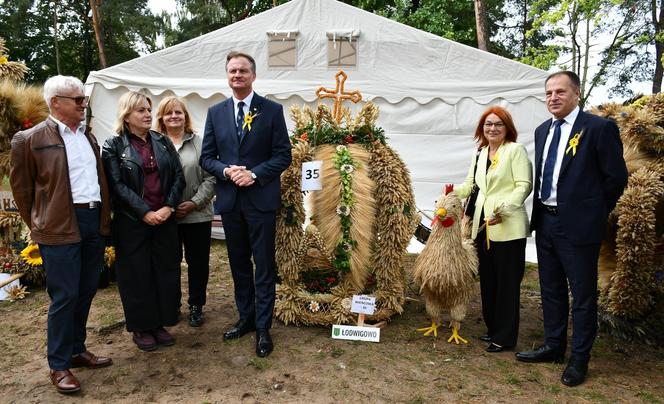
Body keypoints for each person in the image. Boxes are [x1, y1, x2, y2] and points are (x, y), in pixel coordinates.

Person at [516, 71, 628, 387]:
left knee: (582, 295)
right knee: (550, 289)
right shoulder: (542, 131)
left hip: (579, 226)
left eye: (560, 92)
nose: (553, 97)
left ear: (576, 94)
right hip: (546, 222)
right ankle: (554, 346)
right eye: (549, 92)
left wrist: (593, 211)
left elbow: (616, 177)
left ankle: (580, 359)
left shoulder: (598, 128)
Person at [10, 75, 113, 394]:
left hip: (93, 220)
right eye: (78, 100)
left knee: (85, 290)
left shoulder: (88, 136)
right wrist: (40, 224)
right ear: (56, 102)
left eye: (84, 100)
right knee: (64, 295)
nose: (84, 105)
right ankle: (58, 364)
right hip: (58, 226)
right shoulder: (29, 139)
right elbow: (22, 190)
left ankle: (76, 349)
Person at [200, 51, 291, 357]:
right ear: (227, 76)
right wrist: (226, 171)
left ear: (253, 75)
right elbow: (206, 157)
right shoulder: (216, 113)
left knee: (263, 264)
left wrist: (254, 174)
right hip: (230, 201)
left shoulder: (272, 111)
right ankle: (246, 318)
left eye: (242, 71)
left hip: (260, 200)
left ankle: (264, 327)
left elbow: (283, 155)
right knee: (239, 264)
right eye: (232, 71)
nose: (236, 75)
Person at [102, 91, 185, 352]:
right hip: (132, 222)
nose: (148, 114)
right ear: (126, 116)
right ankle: (141, 326)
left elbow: (178, 177)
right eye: (141, 110)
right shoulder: (113, 145)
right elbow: (116, 185)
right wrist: (144, 212)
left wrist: (169, 207)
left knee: (164, 271)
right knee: (137, 275)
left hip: (164, 219)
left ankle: (159, 323)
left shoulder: (161, 141)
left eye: (148, 109)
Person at [455, 106, 532, 353]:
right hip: (482, 227)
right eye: (488, 124)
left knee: (507, 283)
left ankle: (505, 337)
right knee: (488, 281)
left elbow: (524, 185)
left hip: (507, 226)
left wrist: (503, 210)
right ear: (482, 128)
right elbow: (470, 186)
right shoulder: (480, 153)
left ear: (507, 128)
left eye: (498, 124)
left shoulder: (515, 151)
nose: (492, 128)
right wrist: (449, 194)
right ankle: (492, 329)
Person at [155, 96, 215, 327]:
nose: (174, 116)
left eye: (178, 112)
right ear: (162, 118)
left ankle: (196, 305)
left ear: (185, 116)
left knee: (198, 263)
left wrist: (194, 202)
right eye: (169, 113)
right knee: (169, 263)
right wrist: (166, 206)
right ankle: (171, 305)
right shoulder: (154, 144)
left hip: (197, 214)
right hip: (165, 216)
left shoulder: (201, 143)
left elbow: (211, 178)